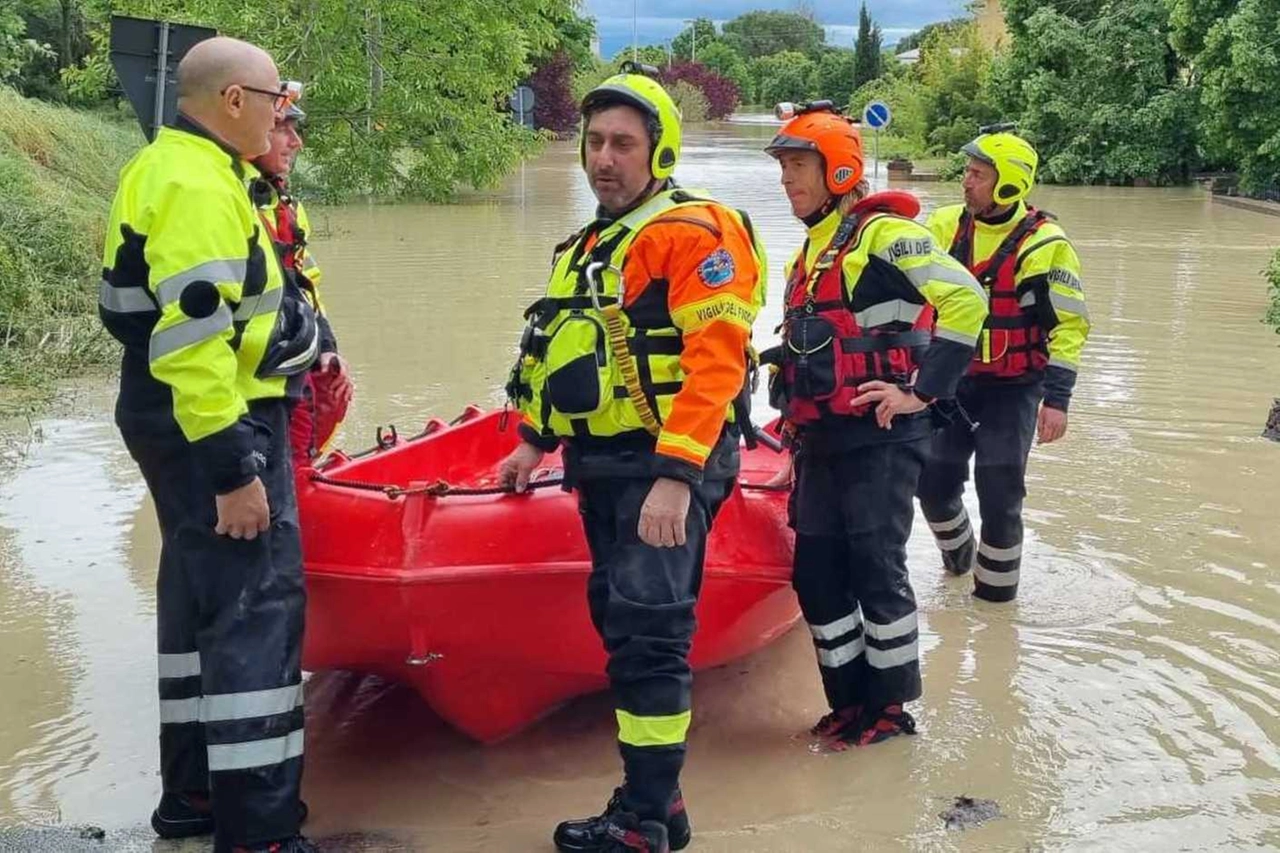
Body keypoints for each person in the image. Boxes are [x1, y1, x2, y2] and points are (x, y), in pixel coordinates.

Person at [500, 64, 766, 853]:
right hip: (604, 465)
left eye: (623, 143)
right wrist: (532, 439)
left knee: (651, 635)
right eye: (594, 142)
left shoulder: (695, 231)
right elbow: (563, 351)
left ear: (660, 151)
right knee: (622, 625)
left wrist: (676, 478)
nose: (603, 158)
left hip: (665, 466)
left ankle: (645, 822)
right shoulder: (590, 243)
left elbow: (715, 363)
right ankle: (661, 800)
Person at [96, 36, 318, 853]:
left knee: (196, 608)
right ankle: (260, 832)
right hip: (213, 422)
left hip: (179, 416)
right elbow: (194, 341)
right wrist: (234, 470)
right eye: (274, 100)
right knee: (255, 616)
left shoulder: (181, 169)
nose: (279, 114)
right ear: (233, 101)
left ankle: (190, 797)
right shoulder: (195, 184)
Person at [762, 101, 988, 749]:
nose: (787, 181)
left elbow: (966, 299)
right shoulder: (812, 249)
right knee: (817, 574)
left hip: (882, 437)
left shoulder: (884, 235)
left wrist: (922, 392)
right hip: (823, 439)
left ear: (838, 171)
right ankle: (849, 701)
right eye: (783, 169)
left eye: (798, 167)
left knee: (875, 568)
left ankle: (889, 711)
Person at [916, 124, 1090, 602]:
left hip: (1013, 389)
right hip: (950, 383)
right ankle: (958, 562)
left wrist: (1057, 401)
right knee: (931, 482)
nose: (965, 181)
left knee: (999, 490)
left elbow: (1070, 327)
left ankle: (995, 606)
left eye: (976, 174)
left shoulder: (1046, 245)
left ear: (1008, 184)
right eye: (967, 172)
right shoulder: (944, 226)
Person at [248, 102, 354, 465]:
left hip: (287, 372)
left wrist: (326, 346)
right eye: (283, 129)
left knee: (332, 391)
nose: (297, 142)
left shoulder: (283, 204)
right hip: (252, 389)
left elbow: (304, 287)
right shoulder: (229, 203)